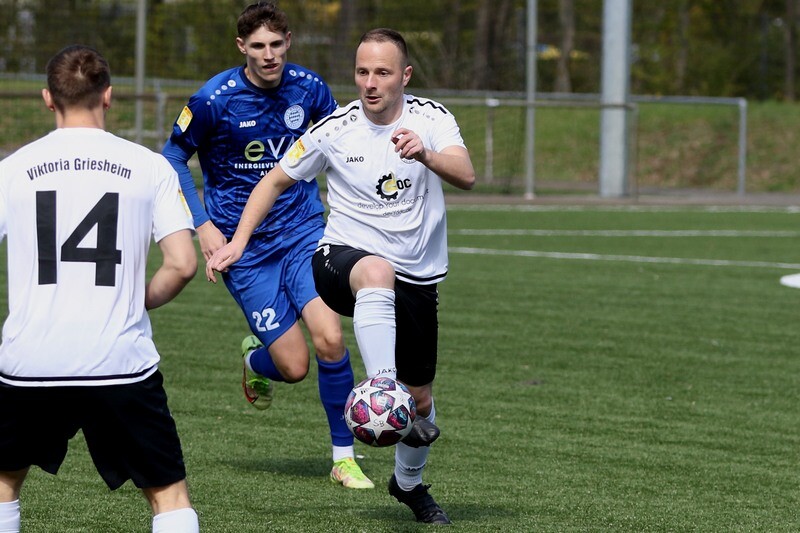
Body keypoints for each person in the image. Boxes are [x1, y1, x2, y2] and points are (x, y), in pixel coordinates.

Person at [207, 28, 476, 524]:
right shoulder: (335, 129)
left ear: (405, 76)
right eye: (362, 72)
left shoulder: (431, 118)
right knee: (376, 270)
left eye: (382, 72)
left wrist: (425, 154)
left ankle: (408, 484)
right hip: (340, 261)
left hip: (417, 277)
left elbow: (466, 173)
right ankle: (381, 388)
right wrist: (238, 242)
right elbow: (273, 180)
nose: (370, 83)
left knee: (420, 400)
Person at [161, 1, 373, 489]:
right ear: (242, 47)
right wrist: (202, 225)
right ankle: (255, 361)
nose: (269, 54)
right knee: (294, 367)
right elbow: (172, 157)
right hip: (243, 249)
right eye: (258, 46)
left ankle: (343, 459)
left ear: (289, 41)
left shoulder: (310, 89)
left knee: (331, 338)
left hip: (302, 231)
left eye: (277, 44)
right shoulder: (214, 100)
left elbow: (341, 145)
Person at [0, 45, 199, 532]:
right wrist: (136, 298)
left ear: (48, 98)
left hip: (30, 362)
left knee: (3, 483)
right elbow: (182, 264)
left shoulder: (11, 170)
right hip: (120, 362)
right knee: (169, 495)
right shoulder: (150, 166)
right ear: (108, 95)